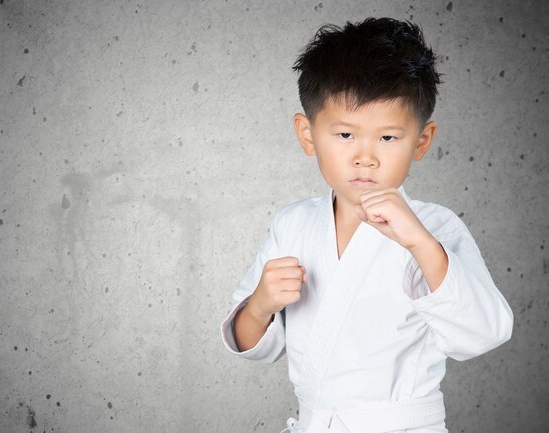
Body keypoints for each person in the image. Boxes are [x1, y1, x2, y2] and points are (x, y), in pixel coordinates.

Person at [220, 18, 513, 433]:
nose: (365, 157)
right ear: (307, 134)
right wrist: (261, 304)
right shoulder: (293, 224)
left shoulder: (435, 228)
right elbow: (250, 343)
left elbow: (483, 333)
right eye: (344, 134)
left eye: (388, 138)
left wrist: (421, 244)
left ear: (421, 141)